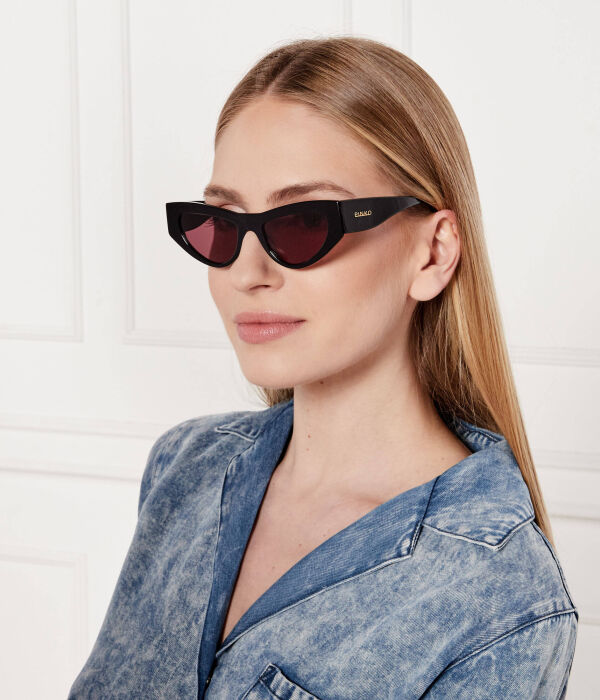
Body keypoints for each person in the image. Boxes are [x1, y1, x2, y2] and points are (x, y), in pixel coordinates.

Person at [68, 36, 578, 699]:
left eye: (304, 224)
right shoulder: (186, 467)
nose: (247, 273)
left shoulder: (500, 598)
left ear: (433, 253)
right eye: (222, 223)